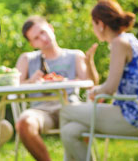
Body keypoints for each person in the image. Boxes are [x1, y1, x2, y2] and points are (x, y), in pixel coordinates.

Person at [59, 0, 138, 161]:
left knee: (64, 110)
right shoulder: (128, 39)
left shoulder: (118, 43)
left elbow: (110, 89)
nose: (93, 29)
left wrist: (95, 91)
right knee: (69, 132)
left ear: (100, 24)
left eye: (93, 24)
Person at [14, 15, 98, 161]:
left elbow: (91, 83)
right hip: (41, 110)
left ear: (51, 28)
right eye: (36, 38)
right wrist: (31, 81)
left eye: (43, 32)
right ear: (32, 44)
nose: (43, 38)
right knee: (23, 124)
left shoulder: (75, 55)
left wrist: (88, 64)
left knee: (81, 122)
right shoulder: (27, 59)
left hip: (70, 106)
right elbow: (13, 86)